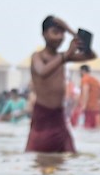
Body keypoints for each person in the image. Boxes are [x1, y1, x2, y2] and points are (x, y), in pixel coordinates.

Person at [28, 15, 92, 154]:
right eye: (55, 32)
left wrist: (72, 32)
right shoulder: (37, 56)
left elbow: (90, 55)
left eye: (62, 33)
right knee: (39, 160)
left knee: (70, 160)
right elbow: (42, 72)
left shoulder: (63, 57)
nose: (60, 37)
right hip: (42, 119)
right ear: (44, 34)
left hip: (59, 119)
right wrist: (65, 56)